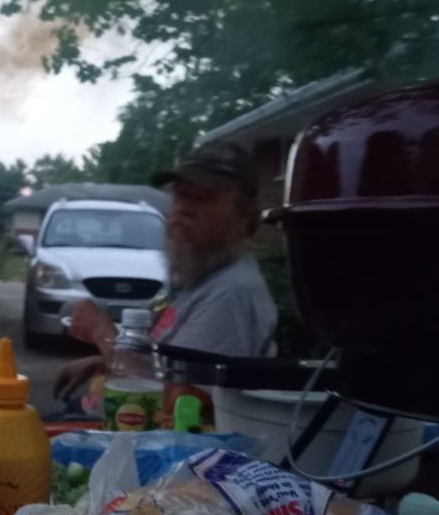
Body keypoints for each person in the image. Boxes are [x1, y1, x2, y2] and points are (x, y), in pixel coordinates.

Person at [53, 140, 278, 414]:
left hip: (113, 430)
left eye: (203, 198)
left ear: (244, 214)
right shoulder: (205, 276)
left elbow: (176, 406)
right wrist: (100, 363)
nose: (183, 208)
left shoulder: (230, 296)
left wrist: (104, 334)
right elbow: (165, 369)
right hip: (101, 414)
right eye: (181, 195)